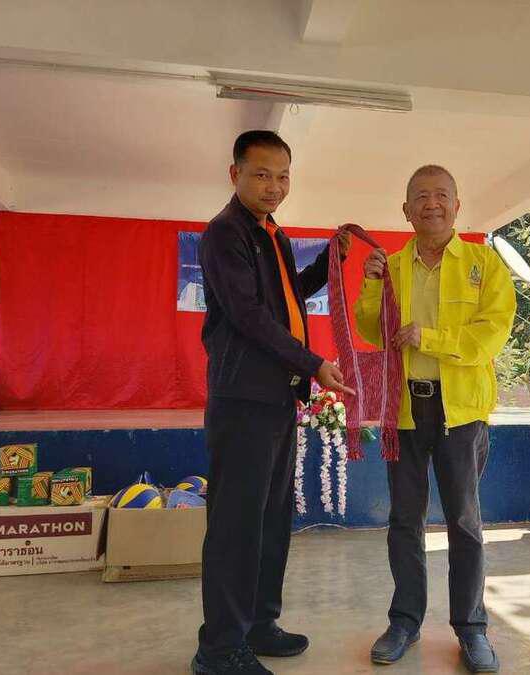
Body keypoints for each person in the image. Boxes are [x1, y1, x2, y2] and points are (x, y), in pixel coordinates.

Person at [193, 130, 352, 675]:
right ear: (234, 173)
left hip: (277, 398)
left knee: (270, 519)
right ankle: (219, 648)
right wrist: (313, 364)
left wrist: (329, 261)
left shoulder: (271, 234)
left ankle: (259, 623)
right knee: (237, 524)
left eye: (283, 176)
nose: (274, 186)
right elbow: (249, 316)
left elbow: (286, 298)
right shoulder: (225, 234)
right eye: (261, 174)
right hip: (243, 400)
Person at [354, 165, 515, 673]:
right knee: (404, 521)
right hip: (404, 410)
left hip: (460, 411)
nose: (432, 204)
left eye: (441, 195)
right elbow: (371, 330)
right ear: (406, 210)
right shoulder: (391, 266)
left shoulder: (484, 265)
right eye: (421, 197)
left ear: (457, 205)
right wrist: (371, 284)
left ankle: (472, 629)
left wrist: (430, 338)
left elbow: (490, 335)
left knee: (464, 522)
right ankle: (404, 621)